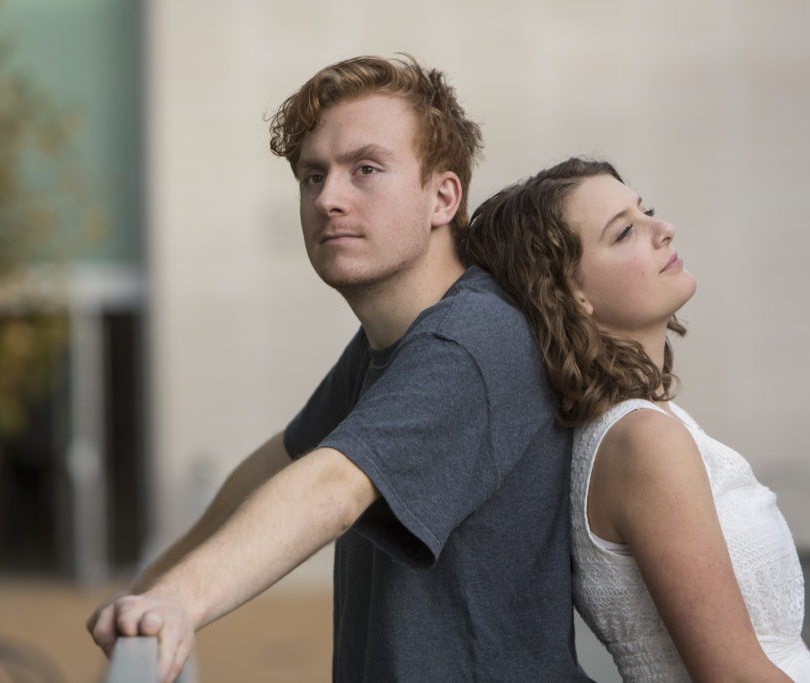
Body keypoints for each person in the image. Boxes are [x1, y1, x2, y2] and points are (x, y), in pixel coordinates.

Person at [87, 55, 593, 683]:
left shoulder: (470, 339)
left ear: (443, 196)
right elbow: (285, 462)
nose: (328, 198)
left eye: (366, 170)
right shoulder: (391, 341)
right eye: (311, 176)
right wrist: (155, 587)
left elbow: (332, 489)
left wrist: (179, 602)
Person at [463, 157, 810, 682]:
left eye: (646, 210)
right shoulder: (642, 440)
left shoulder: (641, 426)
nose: (664, 230)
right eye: (625, 232)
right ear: (572, 293)